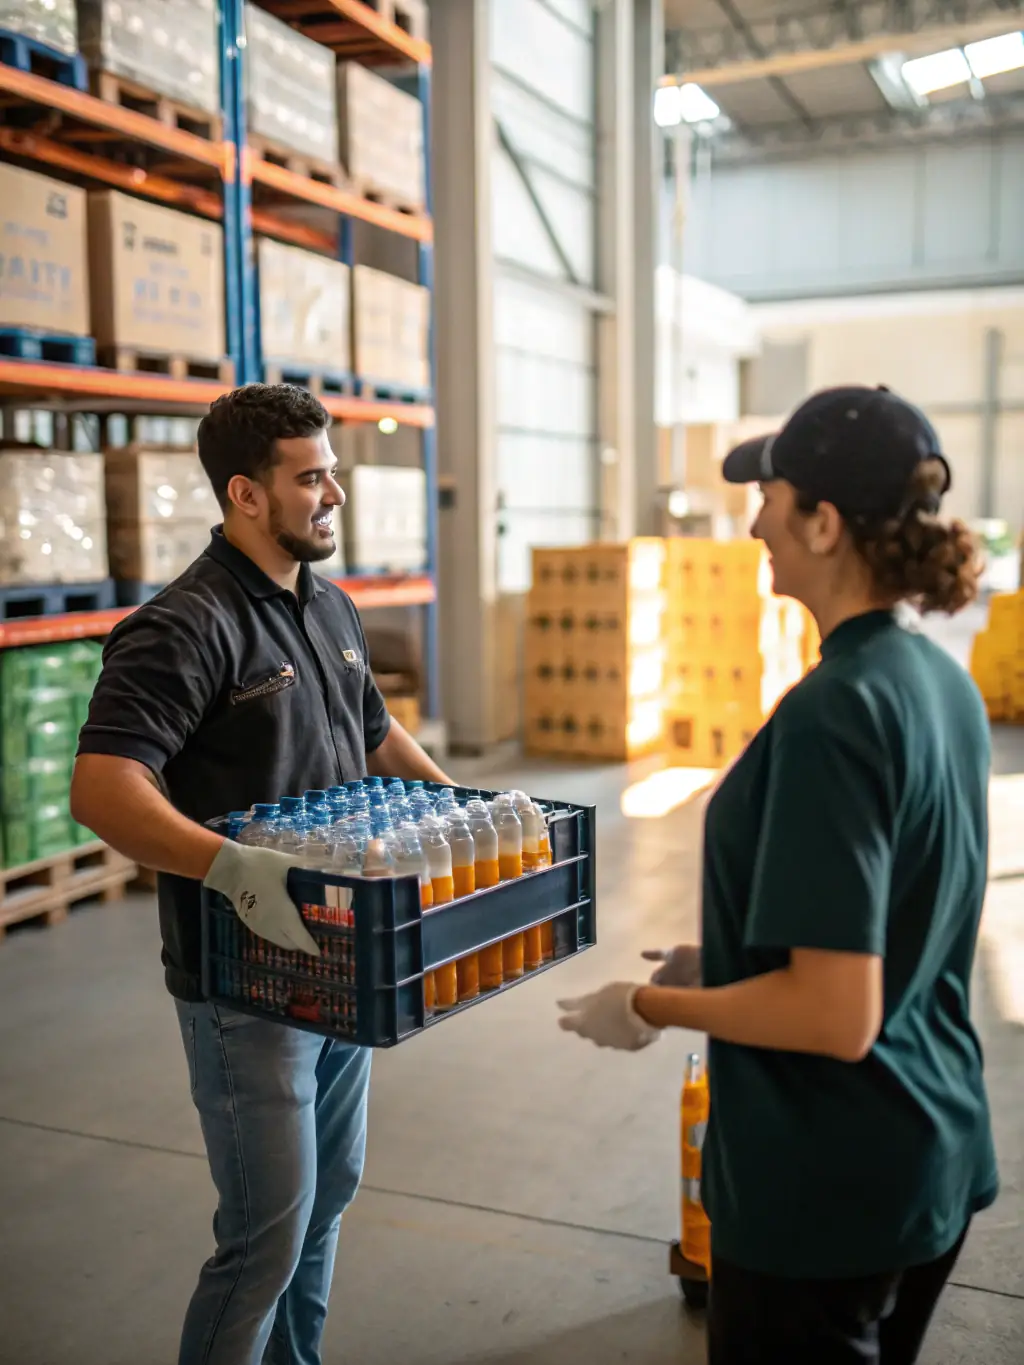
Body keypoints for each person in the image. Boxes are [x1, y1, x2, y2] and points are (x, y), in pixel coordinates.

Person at [558, 385, 998, 1365]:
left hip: (823, 1192)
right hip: (929, 1151)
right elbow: (897, 916)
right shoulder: (935, 680)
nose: (753, 522)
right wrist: (724, 961)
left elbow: (834, 1015)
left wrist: (645, 1006)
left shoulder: (834, 713)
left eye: (771, 497)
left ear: (824, 523)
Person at [71, 384, 454, 1365]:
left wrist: (461, 802)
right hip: (243, 978)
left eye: (332, 474)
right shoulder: (182, 628)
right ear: (245, 494)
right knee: (264, 1236)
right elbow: (105, 788)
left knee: (329, 1196)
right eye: (310, 478)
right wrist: (231, 869)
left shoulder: (327, 605)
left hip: (338, 958)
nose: (333, 495)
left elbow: (370, 727)